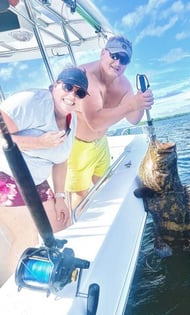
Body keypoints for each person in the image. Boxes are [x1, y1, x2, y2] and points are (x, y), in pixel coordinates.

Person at [0, 66, 89, 286]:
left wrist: (59, 196)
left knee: (60, 223)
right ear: (54, 86)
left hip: (38, 184)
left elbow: (61, 159)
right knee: (28, 236)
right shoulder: (31, 101)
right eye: (68, 86)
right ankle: (18, 295)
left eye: (79, 93)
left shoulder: (72, 119)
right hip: (7, 178)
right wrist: (38, 142)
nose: (72, 95)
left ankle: (56, 276)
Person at [65, 35, 154, 209]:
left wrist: (141, 101)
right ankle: (78, 230)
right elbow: (95, 122)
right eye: (114, 56)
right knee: (80, 195)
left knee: (105, 185)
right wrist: (130, 104)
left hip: (101, 143)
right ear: (103, 53)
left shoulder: (125, 85)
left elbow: (133, 119)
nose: (118, 63)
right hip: (77, 146)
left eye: (124, 59)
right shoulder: (85, 76)